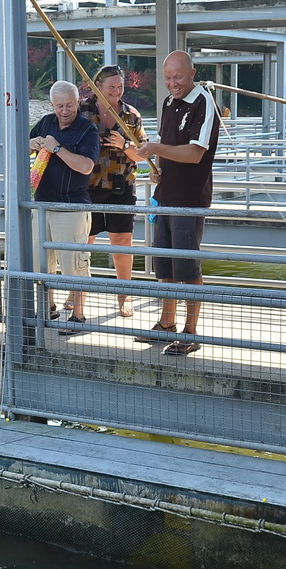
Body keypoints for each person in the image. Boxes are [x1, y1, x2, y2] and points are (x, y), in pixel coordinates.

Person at [127, 50, 220, 356]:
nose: (173, 83)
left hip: (189, 199)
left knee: (188, 268)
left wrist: (157, 148)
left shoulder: (204, 102)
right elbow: (169, 150)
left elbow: (195, 153)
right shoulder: (168, 103)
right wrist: (159, 168)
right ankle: (166, 322)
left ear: (192, 73)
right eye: (167, 78)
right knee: (165, 267)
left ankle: (190, 331)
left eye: (178, 76)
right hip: (165, 195)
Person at [28, 81, 100, 335]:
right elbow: (23, 145)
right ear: (52, 105)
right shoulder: (46, 122)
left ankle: (78, 315)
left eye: (69, 105)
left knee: (74, 265)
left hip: (72, 207)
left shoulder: (87, 129)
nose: (65, 110)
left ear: (78, 102)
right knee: (40, 263)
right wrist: (35, 143)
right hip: (42, 204)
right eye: (60, 106)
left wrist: (56, 148)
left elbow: (86, 166)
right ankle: (48, 307)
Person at [82, 64, 143, 318]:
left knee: (121, 242)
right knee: (84, 243)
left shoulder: (130, 115)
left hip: (121, 185)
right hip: (88, 186)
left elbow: (142, 154)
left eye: (120, 87)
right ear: (97, 86)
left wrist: (124, 143)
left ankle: (124, 295)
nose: (117, 92)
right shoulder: (81, 110)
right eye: (111, 87)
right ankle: (77, 294)